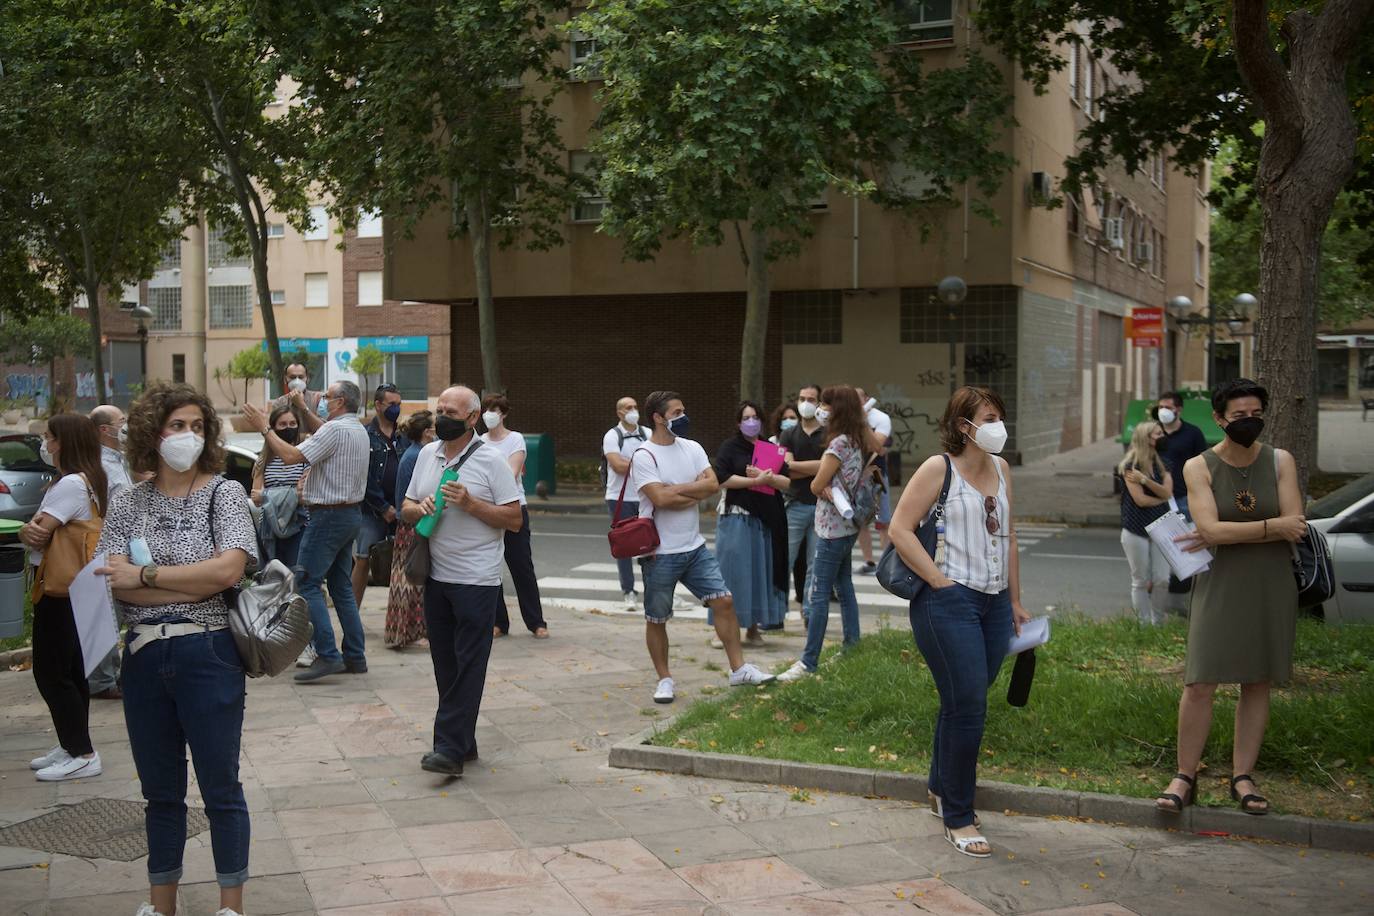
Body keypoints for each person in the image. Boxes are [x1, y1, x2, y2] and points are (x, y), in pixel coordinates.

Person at [94, 382, 256, 916]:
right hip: (143, 658)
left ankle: (230, 906)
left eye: (198, 426)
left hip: (208, 654)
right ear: (152, 432)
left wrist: (147, 576)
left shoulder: (223, 494)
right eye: (177, 425)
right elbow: (114, 583)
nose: (189, 435)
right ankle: (161, 905)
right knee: (160, 792)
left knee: (220, 787)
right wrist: (192, 584)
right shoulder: (128, 500)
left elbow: (228, 570)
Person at [884, 386, 1032, 859]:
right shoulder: (939, 468)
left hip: (994, 605)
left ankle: (939, 787)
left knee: (962, 700)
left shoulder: (1002, 470)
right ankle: (959, 815)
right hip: (948, 601)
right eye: (988, 419)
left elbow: (1009, 537)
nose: (998, 426)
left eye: (999, 416)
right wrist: (938, 581)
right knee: (969, 706)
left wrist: (1015, 600)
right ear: (964, 426)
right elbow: (899, 529)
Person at [1156, 379, 1305, 818]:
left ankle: (1243, 776)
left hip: (1271, 582)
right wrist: (1272, 527)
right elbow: (1210, 529)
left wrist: (1234, 531)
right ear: (1219, 419)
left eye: (1256, 413)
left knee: (1257, 680)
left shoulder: (1280, 460)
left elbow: (1296, 523)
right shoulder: (1198, 466)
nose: (1249, 421)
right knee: (1200, 681)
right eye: (1239, 415)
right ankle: (1185, 775)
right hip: (1219, 580)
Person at [401, 386, 523, 775]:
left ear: (472, 418)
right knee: (445, 664)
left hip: (476, 579)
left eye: (451, 412)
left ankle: (449, 749)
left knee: (469, 664)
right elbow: (405, 506)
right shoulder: (427, 454)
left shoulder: (491, 460)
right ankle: (464, 743)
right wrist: (418, 508)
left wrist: (471, 504)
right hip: (435, 574)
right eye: (439, 410)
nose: (442, 418)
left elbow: (514, 519)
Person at [630, 390, 775, 704]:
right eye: (676, 412)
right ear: (658, 417)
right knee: (657, 617)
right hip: (659, 552)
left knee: (724, 601)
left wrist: (677, 490)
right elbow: (659, 499)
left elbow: (712, 484)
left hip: (694, 547)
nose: (683, 417)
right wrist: (688, 493)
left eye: (683, 410)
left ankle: (739, 669)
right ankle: (664, 679)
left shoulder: (692, 447)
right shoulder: (644, 455)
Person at [243, 380, 370, 682]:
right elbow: (323, 431)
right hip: (350, 514)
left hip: (328, 516)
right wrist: (302, 409)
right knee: (340, 586)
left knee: (307, 583)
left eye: (327, 397)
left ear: (340, 401)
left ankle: (327, 655)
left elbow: (290, 456)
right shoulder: (356, 428)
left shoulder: (334, 430)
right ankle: (355, 655)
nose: (321, 400)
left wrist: (264, 427)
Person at [20, 414, 108, 782]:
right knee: (70, 670)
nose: (45, 443)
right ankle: (71, 744)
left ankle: (83, 752)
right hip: (78, 587)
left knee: (51, 672)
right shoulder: (88, 478)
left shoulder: (71, 483)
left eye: (49, 436)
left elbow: (38, 533)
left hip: (60, 588)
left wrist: (27, 529)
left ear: (63, 442)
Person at [777, 386, 872, 682]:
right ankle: (852, 644)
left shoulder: (838, 444)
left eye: (825, 404)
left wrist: (824, 487)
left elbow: (816, 485)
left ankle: (809, 662)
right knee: (844, 586)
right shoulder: (857, 439)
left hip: (831, 527)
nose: (820, 409)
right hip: (848, 526)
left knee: (817, 593)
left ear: (837, 409)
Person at [712, 401, 790, 643]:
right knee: (732, 573)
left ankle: (753, 628)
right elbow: (721, 478)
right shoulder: (729, 447)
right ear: (738, 423)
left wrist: (769, 479)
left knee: (759, 573)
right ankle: (724, 631)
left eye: (755, 417)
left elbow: (787, 482)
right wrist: (754, 482)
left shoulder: (771, 449)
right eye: (746, 418)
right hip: (736, 515)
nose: (751, 422)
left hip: (766, 518)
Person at [481, 394, 549, 638]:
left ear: (504, 414)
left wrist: (486, 483)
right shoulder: (479, 442)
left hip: (513, 508)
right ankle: (499, 622)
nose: (489, 414)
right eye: (486, 409)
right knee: (491, 568)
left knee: (521, 566)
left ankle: (536, 622)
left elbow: (512, 473)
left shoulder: (515, 439)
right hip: (487, 510)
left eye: (494, 409)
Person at [88, 404, 131, 700]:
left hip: (125, 548)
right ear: (105, 429)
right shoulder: (99, 465)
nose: (126, 426)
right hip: (107, 549)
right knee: (106, 615)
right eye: (121, 421)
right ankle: (101, 681)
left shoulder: (120, 460)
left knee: (115, 615)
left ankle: (112, 675)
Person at [354, 384, 409, 608]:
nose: (396, 408)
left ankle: (400, 615)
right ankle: (351, 615)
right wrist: (383, 507)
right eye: (391, 404)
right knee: (363, 559)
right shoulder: (365, 435)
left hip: (403, 509)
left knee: (404, 563)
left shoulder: (404, 435)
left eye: (399, 404)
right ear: (378, 405)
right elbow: (362, 475)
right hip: (371, 512)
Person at [386, 410, 434, 648]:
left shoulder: (414, 454)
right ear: (427, 432)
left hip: (409, 523)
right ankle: (411, 633)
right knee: (411, 580)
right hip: (411, 525)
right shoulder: (417, 456)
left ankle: (406, 632)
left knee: (408, 579)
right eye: (433, 428)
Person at [1117, 421, 1172, 625]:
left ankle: (1158, 622)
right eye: (1158, 434)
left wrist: (1145, 480)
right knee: (1140, 580)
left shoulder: (1163, 462)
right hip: (1135, 528)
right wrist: (1161, 498)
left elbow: (1168, 492)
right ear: (1146, 438)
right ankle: (1144, 624)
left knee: (1162, 579)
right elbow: (1140, 500)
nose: (1163, 436)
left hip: (1162, 527)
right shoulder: (1130, 466)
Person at [779, 384, 826, 623]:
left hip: (822, 506)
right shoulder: (788, 434)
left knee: (814, 565)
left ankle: (809, 613)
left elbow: (829, 467)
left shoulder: (828, 434)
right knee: (784, 560)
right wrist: (819, 467)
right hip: (794, 504)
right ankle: (776, 613)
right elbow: (785, 468)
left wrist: (797, 466)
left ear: (819, 404)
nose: (805, 403)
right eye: (801, 398)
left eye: (811, 399)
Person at [603, 396, 649, 605]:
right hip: (619, 498)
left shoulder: (647, 433)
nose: (633, 411)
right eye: (628, 408)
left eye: (635, 407)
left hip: (645, 496)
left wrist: (629, 462)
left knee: (651, 544)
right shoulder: (612, 436)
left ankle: (654, 587)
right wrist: (643, 464)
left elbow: (658, 461)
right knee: (624, 545)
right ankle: (628, 590)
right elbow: (617, 466)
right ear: (619, 412)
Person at [250, 405, 309, 570]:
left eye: (292, 423)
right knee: (273, 575)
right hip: (270, 526)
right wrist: (290, 493)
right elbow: (255, 498)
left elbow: (303, 495)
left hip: (298, 524)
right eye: (282, 424)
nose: (288, 428)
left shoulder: (304, 457)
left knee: (296, 573)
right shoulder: (263, 460)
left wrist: (267, 495)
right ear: (273, 428)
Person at [854, 388, 893, 576]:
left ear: (866, 399)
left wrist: (862, 421)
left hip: (876, 474)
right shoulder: (847, 418)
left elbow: (875, 446)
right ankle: (869, 561)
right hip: (855, 476)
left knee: (883, 520)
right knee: (860, 521)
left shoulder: (880, 418)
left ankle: (887, 564)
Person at [1153, 391, 1207, 520]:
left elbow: (1202, 464)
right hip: (1155, 496)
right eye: (1161, 407)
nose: (1163, 411)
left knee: (1185, 531)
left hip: (1183, 496)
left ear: (1179, 409)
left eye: (1168, 407)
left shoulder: (1193, 433)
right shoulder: (1152, 432)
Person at [271, 361, 325, 434]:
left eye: (301, 377)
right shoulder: (279, 403)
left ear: (307, 379)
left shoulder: (319, 399)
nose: (297, 381)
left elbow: (324, 430)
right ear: (285, 379)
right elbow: (275, 432)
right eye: (292, 377)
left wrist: (302, 406)